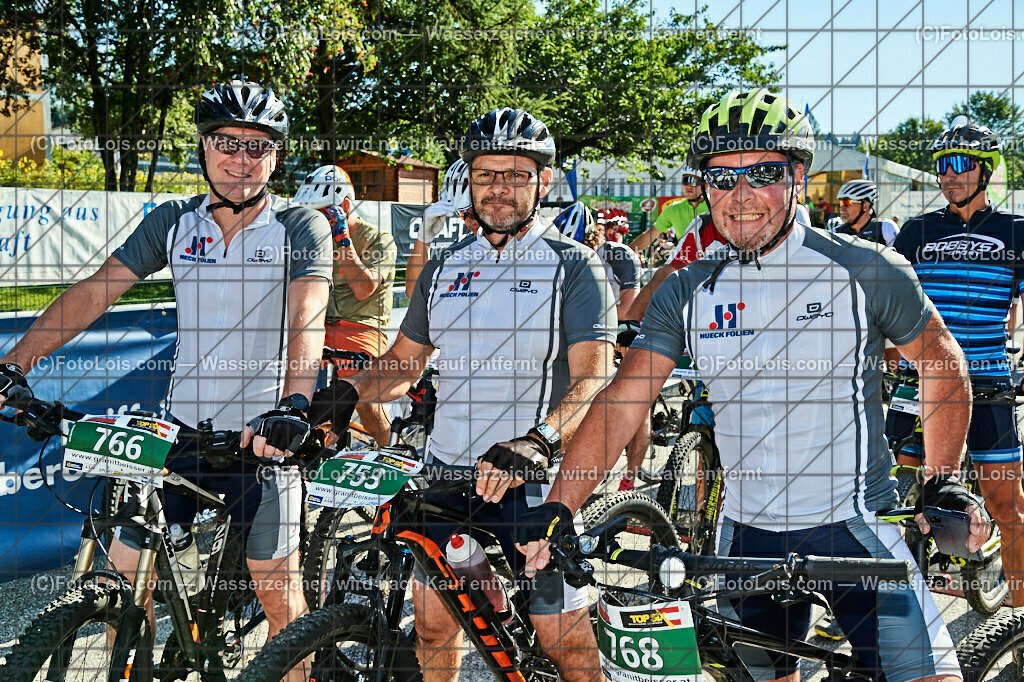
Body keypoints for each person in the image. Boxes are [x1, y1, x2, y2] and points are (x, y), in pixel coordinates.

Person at [518, 89, 979, 682]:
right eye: (720, 177)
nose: (741, 197)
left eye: (763, 173)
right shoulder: (687, 290)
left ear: (798, 176)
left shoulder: (865, 269)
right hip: (743, 540)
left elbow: (943, 364)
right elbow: (621, 403)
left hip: (852, 533)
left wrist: (941, 481)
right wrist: (561, 506)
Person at [0, 80, 332, 681]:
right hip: (181, 433)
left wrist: (295, 403)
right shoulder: (175, 223)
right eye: (227, 143)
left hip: (263, 439)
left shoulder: (299, 226)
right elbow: (94, 294)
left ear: (276, 156)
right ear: (204, 148)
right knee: (122, 581)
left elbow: (307, 321)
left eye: (258, 146)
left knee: (281, 600)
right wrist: (15, 363)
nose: (240, 158)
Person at [310, 107, 615, 682]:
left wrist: (540, 439)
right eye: (485, 174)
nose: (498, 188)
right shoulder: (445, 267)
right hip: (446, 474)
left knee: (563, 643)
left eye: (515, 174)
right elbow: (403, 364)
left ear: (542, 181)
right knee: (433, 623)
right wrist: (348, 391)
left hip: (530, 479)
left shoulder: (575, 267)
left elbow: (593, 377)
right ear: (468, 180)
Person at [886, 116, 1024, 608]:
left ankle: (1019, 618)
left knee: (1007, 504)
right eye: (942, 164)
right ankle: (886, 598)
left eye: (961, 164)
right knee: (893, 495)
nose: (948, 174)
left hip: (988, 380)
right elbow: (883, 304)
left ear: (987, 172)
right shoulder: (916, 231)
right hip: (917, 379)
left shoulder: (1016, 232)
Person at [293, 164, 397, 446]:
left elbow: (364, 289)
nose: (313, 220)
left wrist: (342, 239)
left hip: (363, 328)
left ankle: (393, 451)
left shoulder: (379, 239)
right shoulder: (313, 239)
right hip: (321, 326)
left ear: (345, 206)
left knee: (360, 396)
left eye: (321, 213)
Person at [555, 200, 642, 321]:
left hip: (620, 328)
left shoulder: (619, 255)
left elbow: (629, 312)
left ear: (587, 240)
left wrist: (577, 314)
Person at [405, 159, 474, 298]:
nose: (468, 220)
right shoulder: (460, 250)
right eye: (461, 213)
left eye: (472, 212)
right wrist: (424, 239)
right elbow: (415, 292)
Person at [628, 166, 709, 253]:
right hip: (687, 260)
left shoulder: (716, 206)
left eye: (694, 181)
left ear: (706, 185)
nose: (688, 186)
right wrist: (625, 252)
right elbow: (649, 237)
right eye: (685, 180)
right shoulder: (673, 209)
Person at [834, 179, 898, 247]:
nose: (841, 208)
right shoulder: (836, 232)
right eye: (841, 203)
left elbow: (899, 256)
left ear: (865, 206)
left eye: (846, 203)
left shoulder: (886, 228)